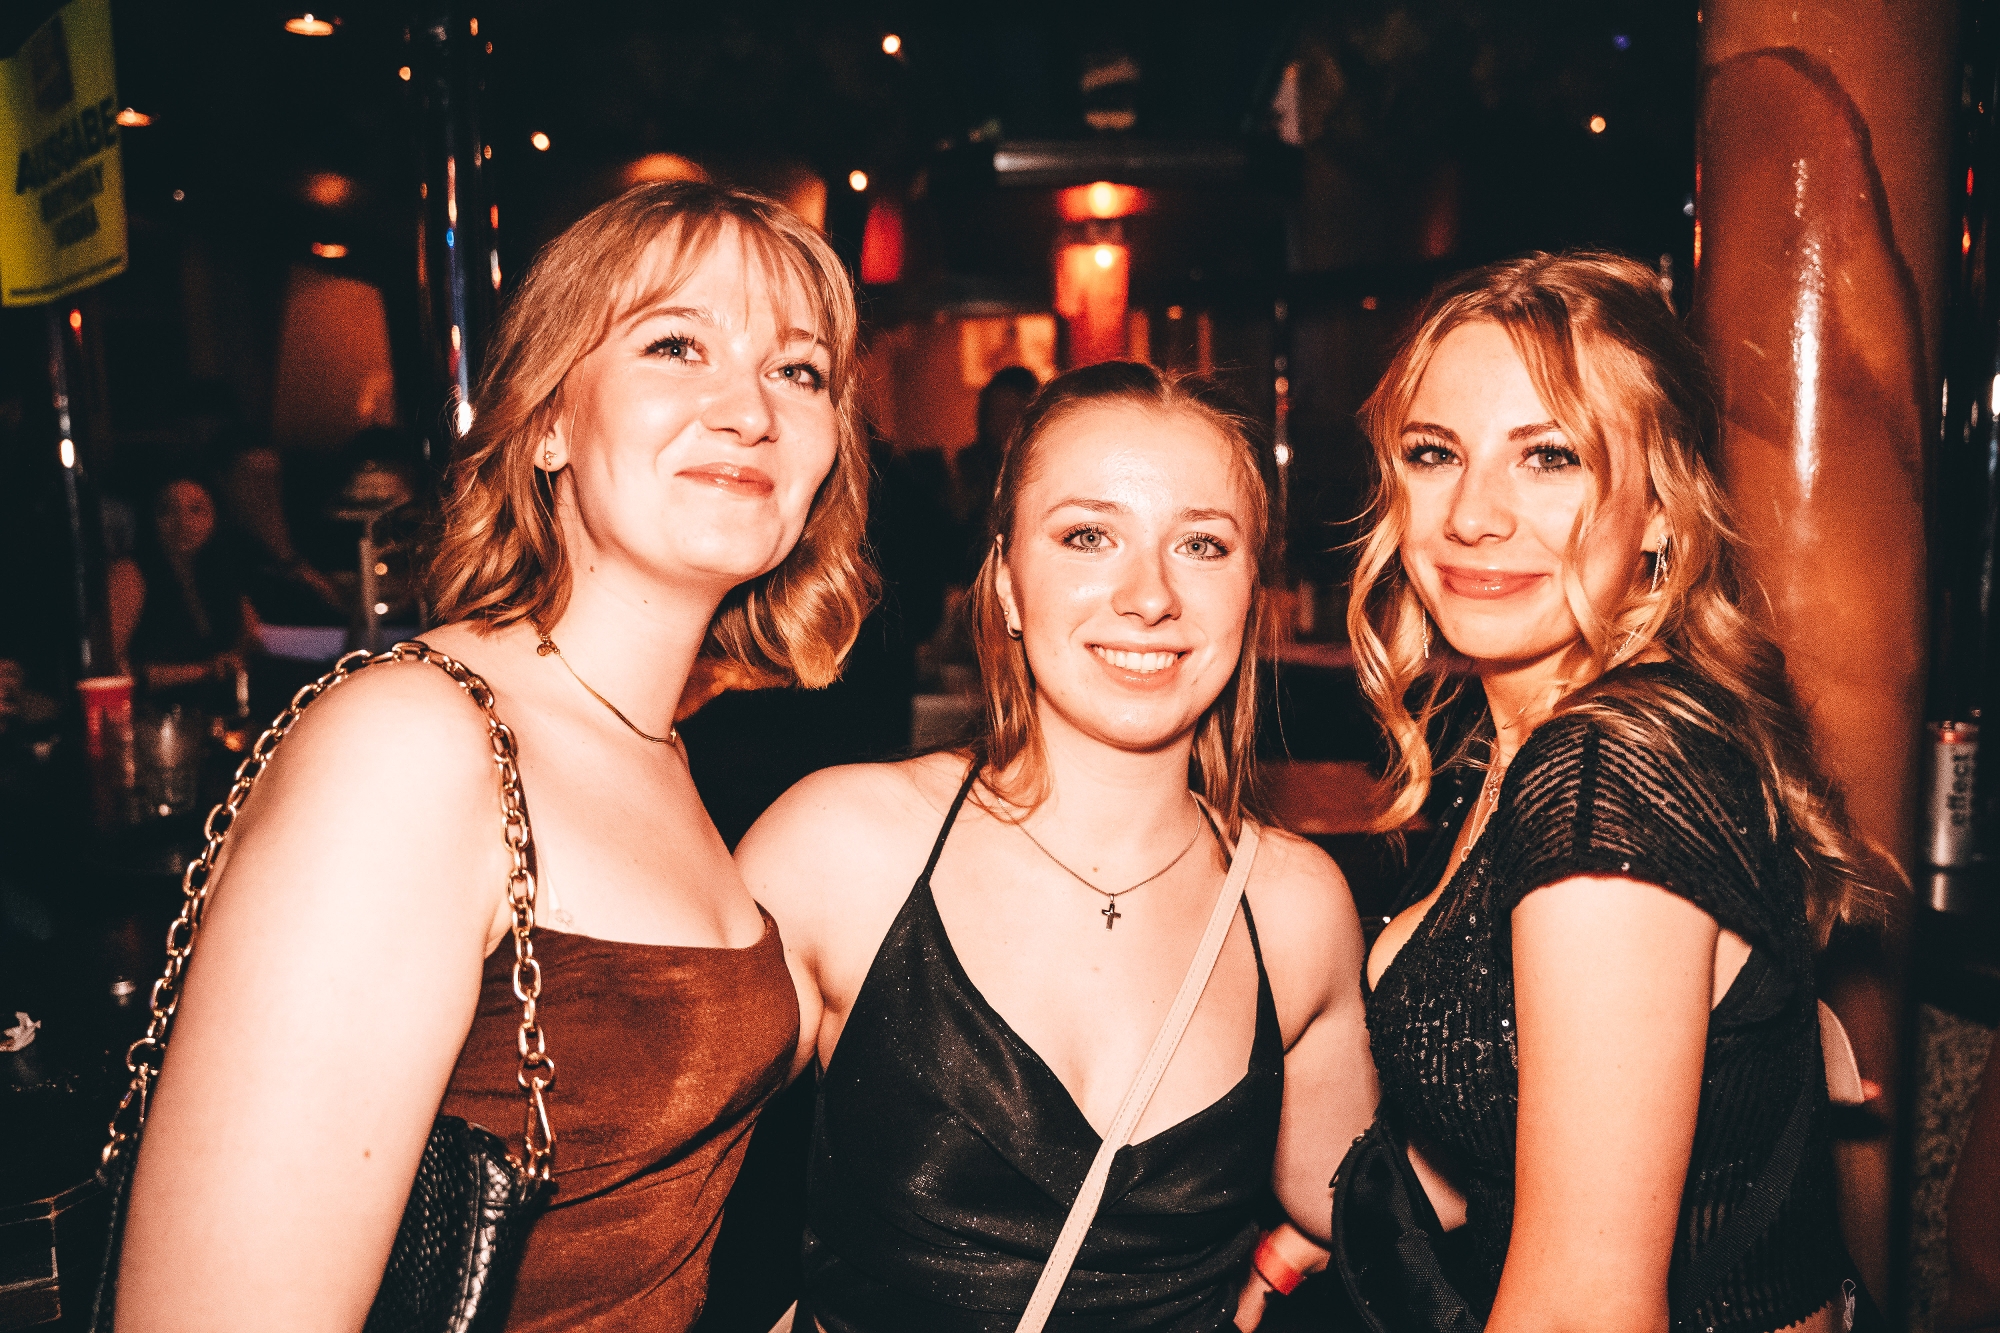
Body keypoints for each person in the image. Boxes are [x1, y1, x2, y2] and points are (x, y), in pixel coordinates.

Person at [115, 181, 874, 1332]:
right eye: (677, 345)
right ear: (550, 420)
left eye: (798, 370)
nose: (749, 409)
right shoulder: (413, 747)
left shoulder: (661, 744)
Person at [740, 362, 1376, 1331]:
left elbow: (1371, 1207)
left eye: (1202, 545)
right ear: (1004, 581)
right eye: (1088, 535)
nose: (1149, 595)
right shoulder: (844, 848)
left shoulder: (1292, 906)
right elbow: (634, 1194)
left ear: (1253, 591)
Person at [1339, 251, 1879, 1332]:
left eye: (1550, 457)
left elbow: (1584, 1308)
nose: (1472, 514)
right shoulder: (1548, 742)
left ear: (1663, 510)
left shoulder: (1603, 774)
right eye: (1434, 452)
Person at [108, 477, 259, 708]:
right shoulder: (130, 574)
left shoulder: (221, 575)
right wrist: (203, 671)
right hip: (154, 715)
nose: (183, 523)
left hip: (220, 715)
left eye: (196, 510)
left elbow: (251, 638)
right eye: (167, 510)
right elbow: (110, 666)